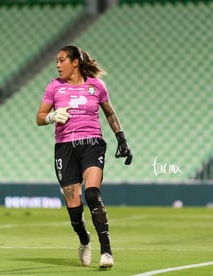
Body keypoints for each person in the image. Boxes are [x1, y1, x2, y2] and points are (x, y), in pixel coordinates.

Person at [36, 45, 132, 268]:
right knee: (74, 209)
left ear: (75, 62)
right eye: (56, 62)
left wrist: (121, 138)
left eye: (61, 60)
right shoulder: (54, 87)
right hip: (65, 148)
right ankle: (84, 239)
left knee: (92, 193)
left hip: (92, 144)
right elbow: (39, 117)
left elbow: (109, 111)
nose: (58, 65)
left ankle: (106, 251)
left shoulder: (96, 86)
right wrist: (51, 117)